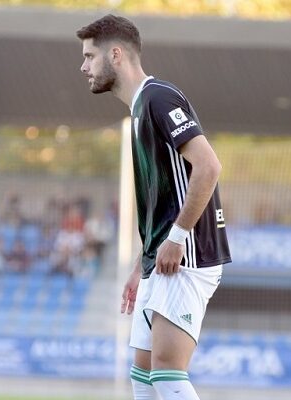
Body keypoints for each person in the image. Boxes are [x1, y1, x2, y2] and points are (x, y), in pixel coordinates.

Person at [77, 15, 231, 400]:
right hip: (159, 260)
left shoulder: (158, 97)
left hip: (186, 255)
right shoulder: (139, 109)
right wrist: (139, 265)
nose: (83, 67)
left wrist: (177, 237)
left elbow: (209, 166)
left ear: (116, 54)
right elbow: (160, 202)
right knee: (143, 375)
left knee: (166, 373)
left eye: (89, 57)